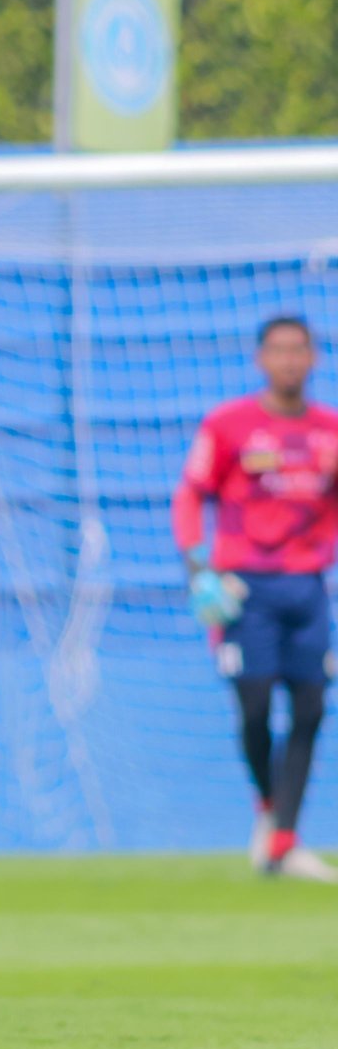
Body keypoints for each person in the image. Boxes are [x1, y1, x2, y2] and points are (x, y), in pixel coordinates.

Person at [174, 314, 338, 881]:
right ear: (261, 358)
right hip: (246, 589)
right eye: (279, 350)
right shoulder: (229, 425)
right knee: (255, 708)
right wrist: (198, 568)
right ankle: (270, 814)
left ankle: (284, 840)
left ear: (314, 357)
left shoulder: (330, 431)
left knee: (312, 708)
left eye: (300, 350)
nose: (290, 360)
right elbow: (190, 495)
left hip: (309, 589)